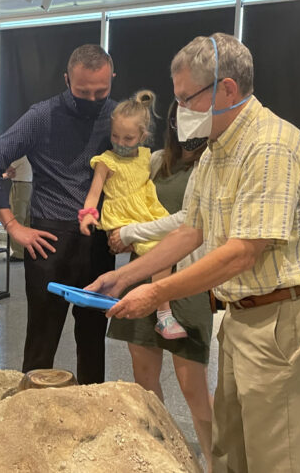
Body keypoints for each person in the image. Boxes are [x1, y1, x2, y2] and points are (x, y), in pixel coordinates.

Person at [87, 33, 300, 473]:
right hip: (242, 316)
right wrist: (126, 278)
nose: (180, 111)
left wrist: (155, 293)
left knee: (281, 455)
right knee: (231, 448)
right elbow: (191, 231)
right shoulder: (216, 152)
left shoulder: (268, 146)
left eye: (187, 98)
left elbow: (243, 252)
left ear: (226, 89)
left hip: (287, 319)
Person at [0, 44, 117, 384]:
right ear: (67, 80)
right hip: (48, 240)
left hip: (97, 239)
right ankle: (28, 414)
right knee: (41, 337)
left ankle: (93, 414)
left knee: (94, 335)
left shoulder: (118, 116)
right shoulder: (43, 116)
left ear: (112, 79)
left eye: (101, 91)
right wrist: (12, 225)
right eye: (83, 92)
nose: (93, 100)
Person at [105, 99, 213, 469]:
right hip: (142, 276)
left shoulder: (211, 165)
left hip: (185, 281)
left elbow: (188, 221)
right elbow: (130, 198)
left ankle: (215, 462)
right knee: (145, 383)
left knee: (193, 388)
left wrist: (132, 231)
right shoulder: (154, 162)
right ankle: (167, 455)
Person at [79, 90, 186, 340]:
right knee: (159, 250)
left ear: (142, 136)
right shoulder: (106, 160)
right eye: (115, 136)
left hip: (146, 209)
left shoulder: (147, 158)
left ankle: (159, 303)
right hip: (123, 215)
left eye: (128, 138)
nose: (120, 142)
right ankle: (164, 314)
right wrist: (87, 215)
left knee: (172, 242)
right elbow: (95, 192)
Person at [3, 156, 33, 262]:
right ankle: (27, 251)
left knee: (16, 219)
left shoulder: (21, 155)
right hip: (28, 185)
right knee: (26, 220)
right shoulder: (29, 154)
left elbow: (10, 169)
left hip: (20, 186)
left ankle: (19, 253)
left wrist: (4, 175)